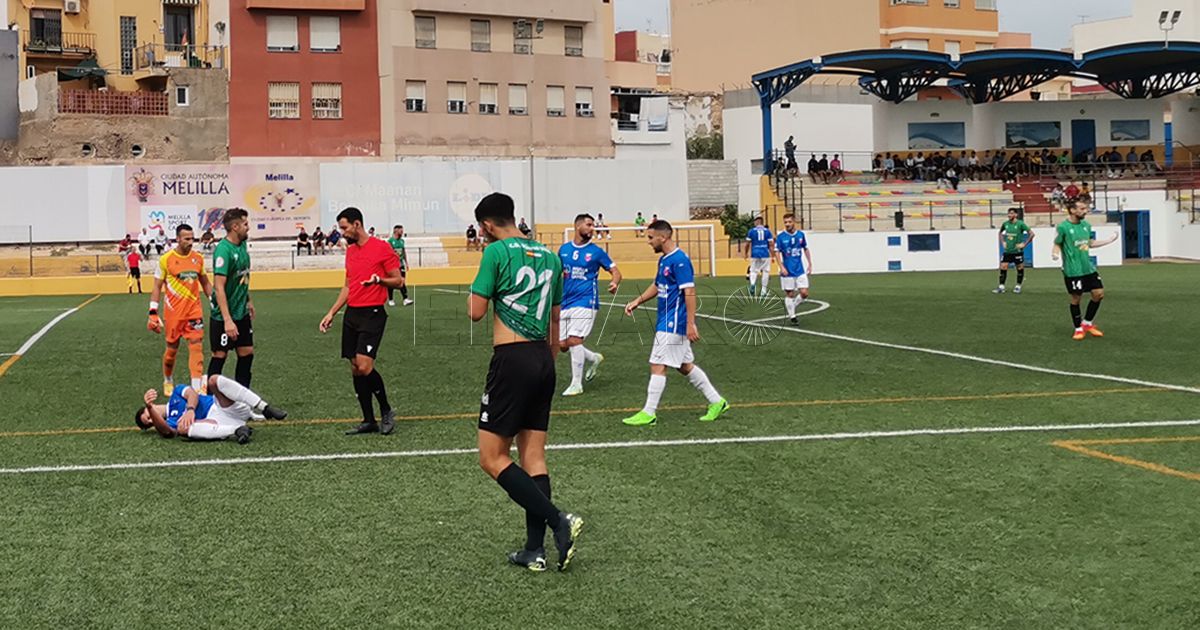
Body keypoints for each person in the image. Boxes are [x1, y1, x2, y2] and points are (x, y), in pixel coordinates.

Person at [466, 192, 583, 573]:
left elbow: (475, 312)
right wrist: (548, 361)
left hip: (512, 359)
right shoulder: (550, 256)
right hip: (542, 359)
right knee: (533, 456)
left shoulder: (495, 253)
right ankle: (535, 550)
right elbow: (554, 319)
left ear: (485, 225)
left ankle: (557, 519)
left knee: (492, 457)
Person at [622, 220, 729, 427]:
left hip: (674, 321)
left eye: (651, 238)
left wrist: (691, 323)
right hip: (666, 319)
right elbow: (657, 284)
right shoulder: (664, 260)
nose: (649, 242)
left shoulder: (679, 260)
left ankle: (649, 412)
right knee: (683, 365)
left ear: (663, 237)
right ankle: (717, 401)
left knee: (658, 364)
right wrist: (637, 301)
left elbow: (689, 291)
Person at [319, 207, 402, 436]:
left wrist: (380, 281)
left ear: (357, 224)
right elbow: (348, 285)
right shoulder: (351, 251)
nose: (342, 232)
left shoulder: (381, 248)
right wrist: (332, 312)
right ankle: (368, 420)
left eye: (344, 227)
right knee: (355, 369)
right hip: (352, 314)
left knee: (365, 366)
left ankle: (386, 410)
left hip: (373, 313)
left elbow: (399, 280)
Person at [557, 214, 622, 397]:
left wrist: (614, 282)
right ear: (577, 226)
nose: (592, 228)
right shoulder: (564, 250)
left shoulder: (597, 252)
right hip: (566, 301)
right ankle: (594, 358)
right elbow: (557, 272)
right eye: (589, 224)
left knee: (575, 340)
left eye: (593, 225)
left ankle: (576, 384)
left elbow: (616, 272)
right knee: (562, 344)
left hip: (586, 301)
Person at [148, 224, 211, 397]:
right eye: (187, 239)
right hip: (174, 314)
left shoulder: (198, 259)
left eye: (192, 238)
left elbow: (205, 282)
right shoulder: (166, 259)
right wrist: (152, 312)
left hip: (194, 312)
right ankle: (168, 379)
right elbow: (157, 286)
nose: (191, 242)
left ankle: (196, 387)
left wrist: (213, 301)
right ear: (178, 239)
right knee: (171, 351)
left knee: (196, 347)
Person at [134, 374, 286, 444]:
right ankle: (237, 430)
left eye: (147, 416)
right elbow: (167, 432)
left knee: (213, 380)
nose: (151, 420)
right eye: (150, 422)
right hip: (220, 424)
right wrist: (149, 408)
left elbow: (192, 393)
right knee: (182, 430)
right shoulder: (172, 422)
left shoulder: (176, 394)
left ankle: (264, 407)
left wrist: (190, 410)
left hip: (226, 407)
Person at [1053, 201, 1119, 340]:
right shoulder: (1063, 227)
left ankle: (1087, 323)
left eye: (1086, 208)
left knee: (1099, 293)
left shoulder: (1086, 226)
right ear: (1072, 210)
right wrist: (1055, 253)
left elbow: (1089, 243)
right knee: (1076, 298)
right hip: (1073, 270)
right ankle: (1078, 328)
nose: (1086, 211)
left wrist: (1108, 241)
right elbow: (1057, 243)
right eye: (1082, 208)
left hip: (1088, 267)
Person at [208, 208, 257, 391]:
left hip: (241, 311)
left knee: (246, 354)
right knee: (220, 356)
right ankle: (209, 404)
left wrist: (248, 300)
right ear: (235, 227)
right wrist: (227, 320)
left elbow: (241, 278)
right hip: (223, 317)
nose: (248, 227)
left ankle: (241, 404)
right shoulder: (223, 251)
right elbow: (219, 287)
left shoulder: (242, 245)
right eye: (245, 224)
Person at [774, 213, 813, 324]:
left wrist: (810, 264)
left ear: (794, 222)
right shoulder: (781, 237)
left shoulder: (800, 235)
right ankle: (792, 316)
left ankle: (792, 306)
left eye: (789, 222)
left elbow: (805, 248)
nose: (787, 224)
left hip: (799, 269)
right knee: (790, 294)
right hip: (787, 271)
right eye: (785, 222)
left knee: (804, 293)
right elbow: (776, 252)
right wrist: (781, 267)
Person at [993, 208, 1034, 295]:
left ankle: (1018, 286)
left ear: (1016, 215)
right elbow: (1000, 232)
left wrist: (1024, 244)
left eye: (1011, 213)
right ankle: (1001, 287)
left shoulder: (1020, 224)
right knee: (1003, 266)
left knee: (1020, 268)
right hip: (1008, 251)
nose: (1009, 215)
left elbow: (1032, 234)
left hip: (1017, 251)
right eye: (1008, 213)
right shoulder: (1006, 224)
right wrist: (1003, 242)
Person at [744, 216, 774, 296]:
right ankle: (763, 291)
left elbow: (747, 244)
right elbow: (771, 244)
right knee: (766, 271)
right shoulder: (767, 231)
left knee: (753, 270)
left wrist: (746, 253)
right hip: (765, 253)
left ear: (757, 222)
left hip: (755, 253)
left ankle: (753, 284)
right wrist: (773, 255)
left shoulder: (751, 231)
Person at [387, 225, 414, 307]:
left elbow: (403, 252)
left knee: (402, 281)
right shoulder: (390, 241)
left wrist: (406, 263)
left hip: (401, 264)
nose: (402, 232)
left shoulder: (402, 241)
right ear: (396, 231)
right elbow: (389, 253)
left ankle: (405, 299)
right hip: (393, 265)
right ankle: (391, 299)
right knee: (392, 282)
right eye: (400, 231)